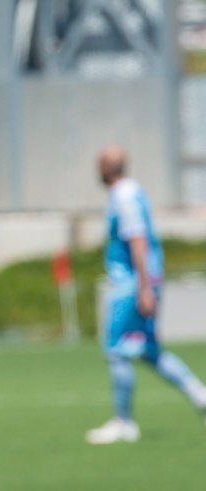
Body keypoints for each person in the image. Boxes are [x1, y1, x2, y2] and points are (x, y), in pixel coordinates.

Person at [85, 146, 206, 444]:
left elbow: (137, 240)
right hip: (143, 280)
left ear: (105, 168)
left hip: (131, 283)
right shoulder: (132, 192)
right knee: (148, 351)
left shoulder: (124, 197)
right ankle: (200, 395)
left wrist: (143, 288)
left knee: (116, 349)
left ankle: (123, 421)